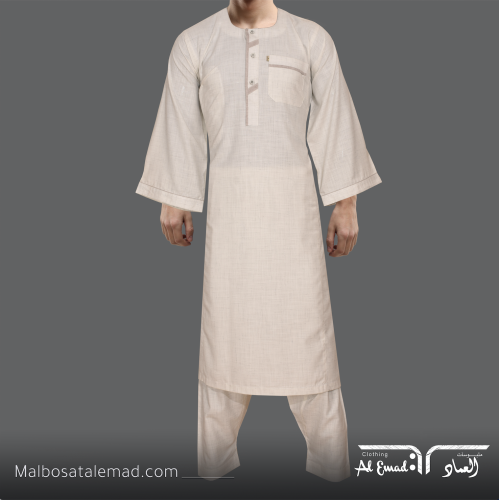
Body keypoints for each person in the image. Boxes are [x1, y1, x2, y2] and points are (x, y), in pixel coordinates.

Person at [136, 0, 382, 482]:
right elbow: (180, 124)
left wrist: (346, 203)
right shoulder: (194, 43)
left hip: (294, 222)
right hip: (229, 224)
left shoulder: (310, 38)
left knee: (309, 345)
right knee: (224, 346)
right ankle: (212, 471)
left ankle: (333, 470)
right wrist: (173, 197)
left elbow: (334, 120)